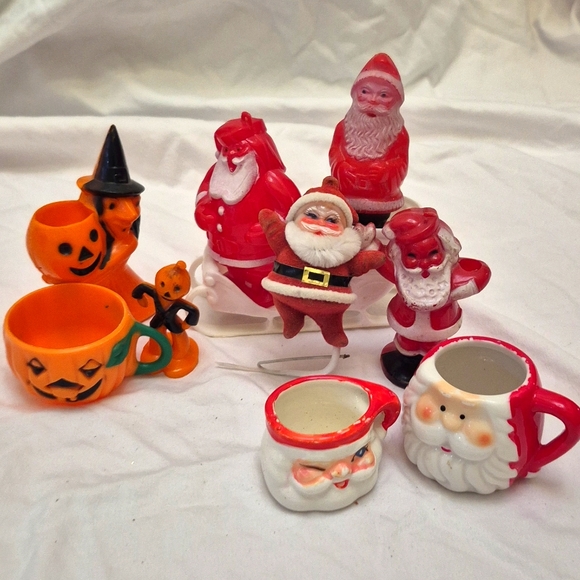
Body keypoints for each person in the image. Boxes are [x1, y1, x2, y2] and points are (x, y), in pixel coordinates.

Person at [259, 176, 385, 347]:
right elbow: (273, 230)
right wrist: (271, 223)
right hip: (285, 296)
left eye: (332, 220)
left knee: (332, 322)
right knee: (287, 311)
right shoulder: (287, 239)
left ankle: (332, 331)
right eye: (312, 215)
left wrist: (369, 259)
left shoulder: (346, 251)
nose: (320, 223)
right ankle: (292, 321)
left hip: (330, 305)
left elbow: (357, 264)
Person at [194, 112, 300, 308]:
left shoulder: (272, 179)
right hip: (222, 249)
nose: (230, 156)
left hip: (260, 256)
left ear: (258, 148)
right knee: (234, 273)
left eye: (238, 149)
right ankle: (234, 287)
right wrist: (202, 210)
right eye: (226, 149)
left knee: (260, 274)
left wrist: (271, 227)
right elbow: (203, 193)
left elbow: (296, 211)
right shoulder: (216, 172)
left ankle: (267, 294)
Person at [378, 207, 491, 387]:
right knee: (406, 344)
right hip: (405, 320)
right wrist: (372, 246)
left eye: (433, 254)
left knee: (434, 347)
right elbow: (381, 262)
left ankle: (434, 363)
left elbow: (480, 273)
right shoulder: (401, 273)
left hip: (441, 324)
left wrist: (457, 291)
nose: (424, 264)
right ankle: (404, 362)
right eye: (412, 256)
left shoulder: (451, 275)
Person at [329, 53, 409, 228]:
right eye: (365, 92)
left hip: (380, 198)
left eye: (383, 95)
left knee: (377, 227)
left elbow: (401, 161)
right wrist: (342, 166)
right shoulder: (343, 127)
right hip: (347, 192)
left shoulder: (398, 133)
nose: (372, 101)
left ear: (396, 101)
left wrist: (385, 170)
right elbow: (335, 152)